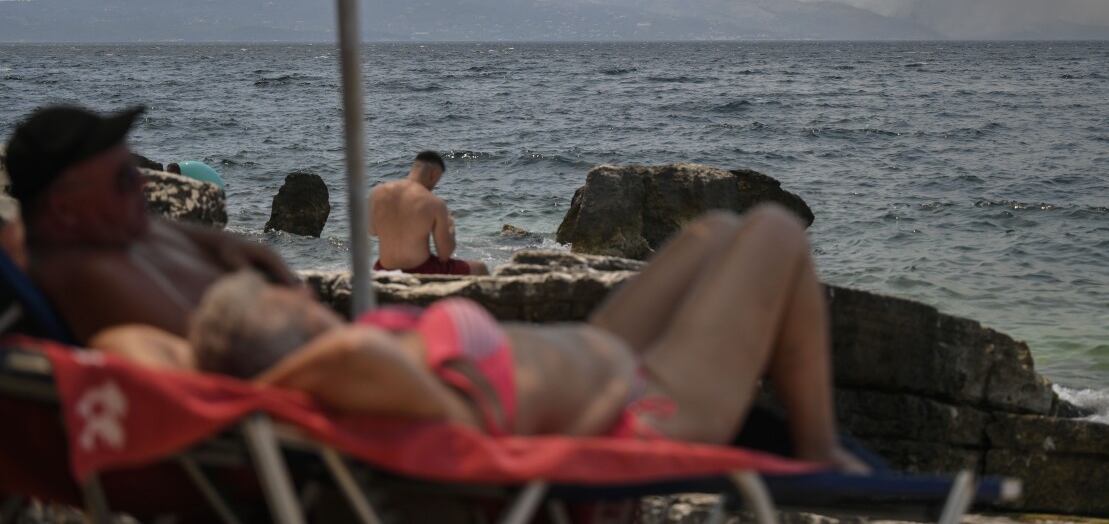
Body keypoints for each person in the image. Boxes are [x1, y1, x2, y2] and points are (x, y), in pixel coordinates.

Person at [190, 205, 866, 472]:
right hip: (648, 405)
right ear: (290, 335)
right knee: (775, 230)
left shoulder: (372, 362)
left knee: (715, 231)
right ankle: (818, 453)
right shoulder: (359, 368)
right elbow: (347, 354)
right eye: (288, 300)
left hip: (604, 351)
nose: (302, 293)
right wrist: (248, 392)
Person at [3, 104, 297, 346]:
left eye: (136, 171)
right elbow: (220, 356)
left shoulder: (118, 229)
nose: (143, 184)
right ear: (65, 210)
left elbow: (231, 245)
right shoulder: (93, 276)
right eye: (126, 178)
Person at [369, 151, 489, 276]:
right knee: (480, 268)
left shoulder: (377, 192)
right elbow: (444, 254)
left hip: (383, 268)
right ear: (433, 174)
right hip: (421, 269)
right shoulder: (434, 203)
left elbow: (372, 231)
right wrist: (450, 226)